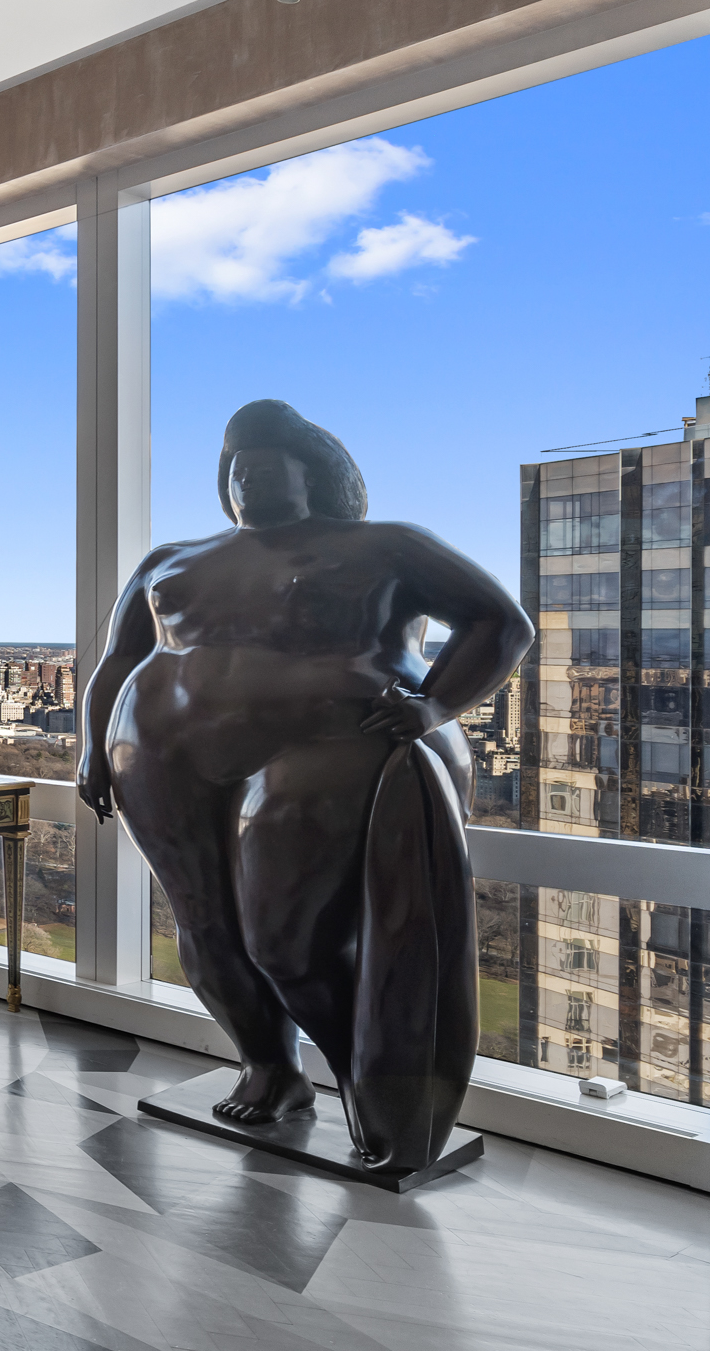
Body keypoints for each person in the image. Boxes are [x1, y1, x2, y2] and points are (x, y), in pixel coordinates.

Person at [77, 399, 529, 1173]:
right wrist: (91, 750)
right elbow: (117, 661)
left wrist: (432, 706)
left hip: (326, 751)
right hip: (159, 760)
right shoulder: (168, 562)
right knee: (206, 934)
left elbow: (499, 622)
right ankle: (271, 1068)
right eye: (235, 466)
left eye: (264, 462)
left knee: (284, 943)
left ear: (313, 473)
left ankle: (376, 1091)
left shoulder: (388, 547)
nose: (246, 476)